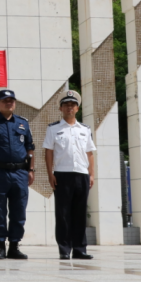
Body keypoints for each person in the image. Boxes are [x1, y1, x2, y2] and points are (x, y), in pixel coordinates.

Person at [0, 89, 35, 260]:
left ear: (15, 103)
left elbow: (30, 148)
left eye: (11, 100)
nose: (8, 103)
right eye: (5, 101)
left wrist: (31, 170)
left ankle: (14, 246)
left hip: (20, 172)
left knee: (19, 211)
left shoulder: (23, 123)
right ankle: (1, 246)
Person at [44, 90, 95, 260]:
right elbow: (49, 152)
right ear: (61, 108)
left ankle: (80, 248)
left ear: (77, 108)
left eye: (72, 105)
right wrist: (50, 173)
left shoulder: (85, 129)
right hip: (62, 175)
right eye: (66, 105)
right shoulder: (53, 129)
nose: (69, 108)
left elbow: (90, 153)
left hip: (82, 174)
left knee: (80, 213)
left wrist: (92, 174)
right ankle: (64, 249)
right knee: (63, 213)